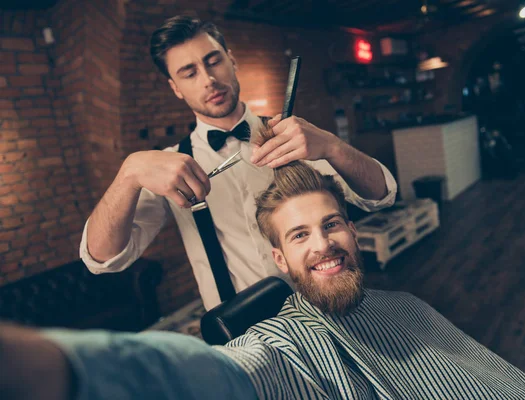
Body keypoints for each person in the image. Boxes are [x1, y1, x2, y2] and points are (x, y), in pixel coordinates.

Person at [1, 157, 525, 400]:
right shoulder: (282, 347)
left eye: (332, 225)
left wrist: (330, 147)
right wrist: (55, 369)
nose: (321, 243)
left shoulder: (407, 304)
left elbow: (381, 191)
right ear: (279, 257)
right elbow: (208, 374)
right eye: (299, 236)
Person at [80, 15, 397, 310]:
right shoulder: (171, 167)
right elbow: (102, 259)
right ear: (175, 88)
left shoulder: (293, 136)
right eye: (189, 73)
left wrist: (333, 146)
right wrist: (129, 174)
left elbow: (381, 195)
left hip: (325, 307)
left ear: (231, 60)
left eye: (213, 61)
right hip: (243, 333)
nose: (208, 80)